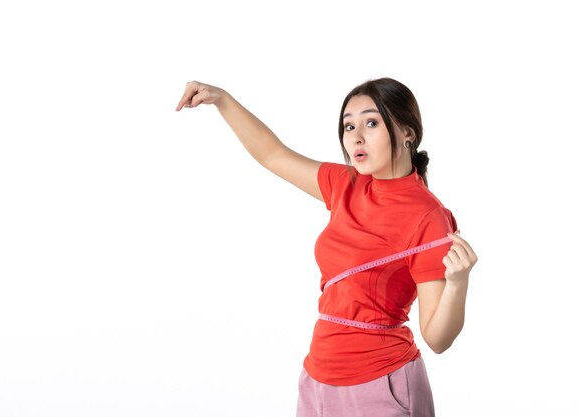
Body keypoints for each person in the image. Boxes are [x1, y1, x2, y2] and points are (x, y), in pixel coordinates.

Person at [175, 78, 478, 417]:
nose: (356, 137)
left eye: (371, 122)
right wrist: (222, 99)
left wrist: (457, 283)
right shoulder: (345, 185)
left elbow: (437, 339)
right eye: (349, 125)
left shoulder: (429, 217)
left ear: (408, 132)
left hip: (382, 385)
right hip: (318, 379)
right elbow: (273, 155)